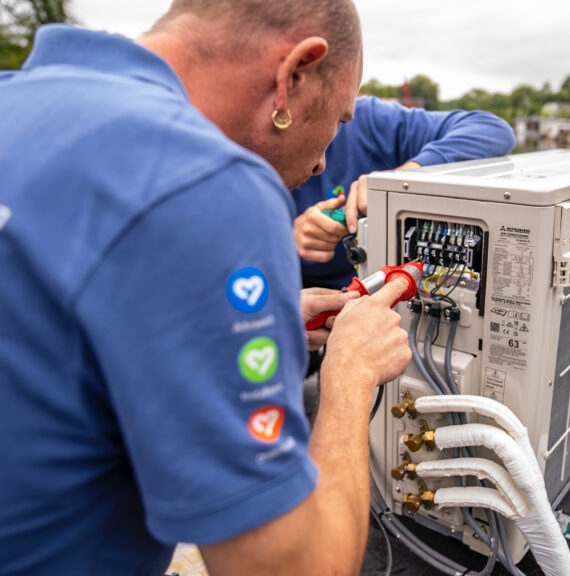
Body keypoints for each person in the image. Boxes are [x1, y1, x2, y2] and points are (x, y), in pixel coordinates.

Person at [0, 1, 412, 575]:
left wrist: (208, 326)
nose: (323, 164)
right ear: (294, 74)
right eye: (339, 120)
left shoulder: (19, 103)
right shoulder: (209, 185)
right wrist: (351, 374)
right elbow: (291, 569)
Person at [293, 96, 516, 289]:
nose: (320, 165)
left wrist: (398, 180)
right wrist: (287, 242)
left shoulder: (367, 120)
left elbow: (493, 130)